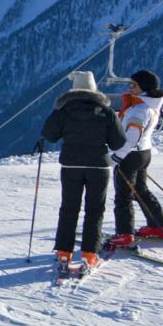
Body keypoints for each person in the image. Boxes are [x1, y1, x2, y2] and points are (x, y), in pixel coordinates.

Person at [41, 70, 125, 272]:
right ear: (94, 89)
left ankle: (63, 252)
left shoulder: (63, 109)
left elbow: (48, 134)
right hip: (98, 165)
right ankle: (89, 253)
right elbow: (119, 141)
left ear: (74, 89)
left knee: (69, 208)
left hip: (71, 164)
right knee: (94, 210)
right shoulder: (106, 111)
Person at [109, 70, 163, 247]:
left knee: (123, 196)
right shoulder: (150, 105)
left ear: (144, 87)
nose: (130, 88)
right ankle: (158, 226)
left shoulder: (139, 109)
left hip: (130, 156)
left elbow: (132, 137)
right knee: (140, 190)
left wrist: (117, 157)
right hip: (144, 153)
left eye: (133, 85)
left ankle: (124, 234)